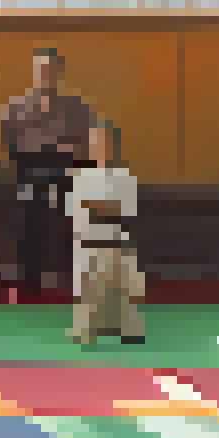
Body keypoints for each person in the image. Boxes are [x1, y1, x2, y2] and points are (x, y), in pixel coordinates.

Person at [0, 48, 94, 300]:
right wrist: (48, 147)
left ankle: (71, 287)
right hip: (28, 177)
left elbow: (82, 146)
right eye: (40, 69)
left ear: (58, 72)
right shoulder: (16, 107)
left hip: (65, 179)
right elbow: (11, 145)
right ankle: (30, 286)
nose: (45, 74)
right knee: (29, 231)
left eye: (50, 69)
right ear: (33, 72)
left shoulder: (76, 108)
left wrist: (54, 150)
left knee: (68, 232)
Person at [66, 120, 144, 344]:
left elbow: (124, 210)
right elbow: (76, 210)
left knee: (121, 295)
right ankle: (86, 331)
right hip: (87, 242)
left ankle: (126, 330)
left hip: (115, 243)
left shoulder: (124, 177)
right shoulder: (80, 177)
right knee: (88, 295)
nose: (102, 146)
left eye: (106, 141)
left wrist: (96, 207)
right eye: (97, 141)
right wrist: (95, 209)